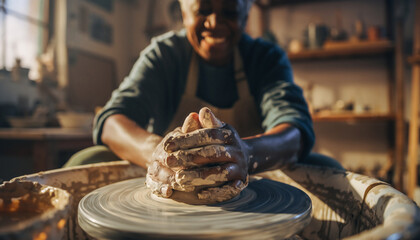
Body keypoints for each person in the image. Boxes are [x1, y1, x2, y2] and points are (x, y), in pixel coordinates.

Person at [64, 0, 343, 201]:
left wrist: (246, 155)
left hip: (248, 187)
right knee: (85, 160)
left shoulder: (265, 58)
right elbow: (112, 121)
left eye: (230, 12)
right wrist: (157, 152)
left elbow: (295, 130)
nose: (214, 23)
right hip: (171, 190)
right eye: (203, 10)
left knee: (327, 169)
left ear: (246, 13)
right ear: (184, 10)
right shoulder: (164, 54)